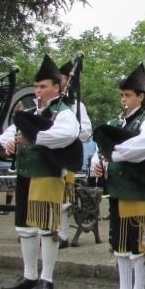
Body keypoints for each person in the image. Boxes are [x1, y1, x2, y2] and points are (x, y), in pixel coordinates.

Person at [0, 55, 80, 289]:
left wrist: (34, 138)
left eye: (43, 86)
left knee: (46, 228)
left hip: (47, 174)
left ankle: (47, 278)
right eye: (36, 86)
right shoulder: (32, 112)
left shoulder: (63, 112)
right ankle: (29, 274)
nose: (38, 90)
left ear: (57, 87)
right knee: (24, 227)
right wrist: (9, 144)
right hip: (25, 173)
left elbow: (67, 135)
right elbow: (8, 134)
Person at [91, 63, 145, 289]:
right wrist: (96, 165)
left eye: (128, 95)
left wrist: (115, 153)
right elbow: (100, 149)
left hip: (136, 190)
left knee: (137, 243)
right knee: (119, 242)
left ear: (140, 97)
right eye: (122, 95)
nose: (124, 99)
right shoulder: (114, 121)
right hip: (116, 190)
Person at [57, 59, 93, 248]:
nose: (61, 82)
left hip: (66, 156)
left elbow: (86, 131)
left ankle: (62, 235)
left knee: (64, 199)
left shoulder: (76, 106)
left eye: (63, 79)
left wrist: (70, 133)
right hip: (47, 159)